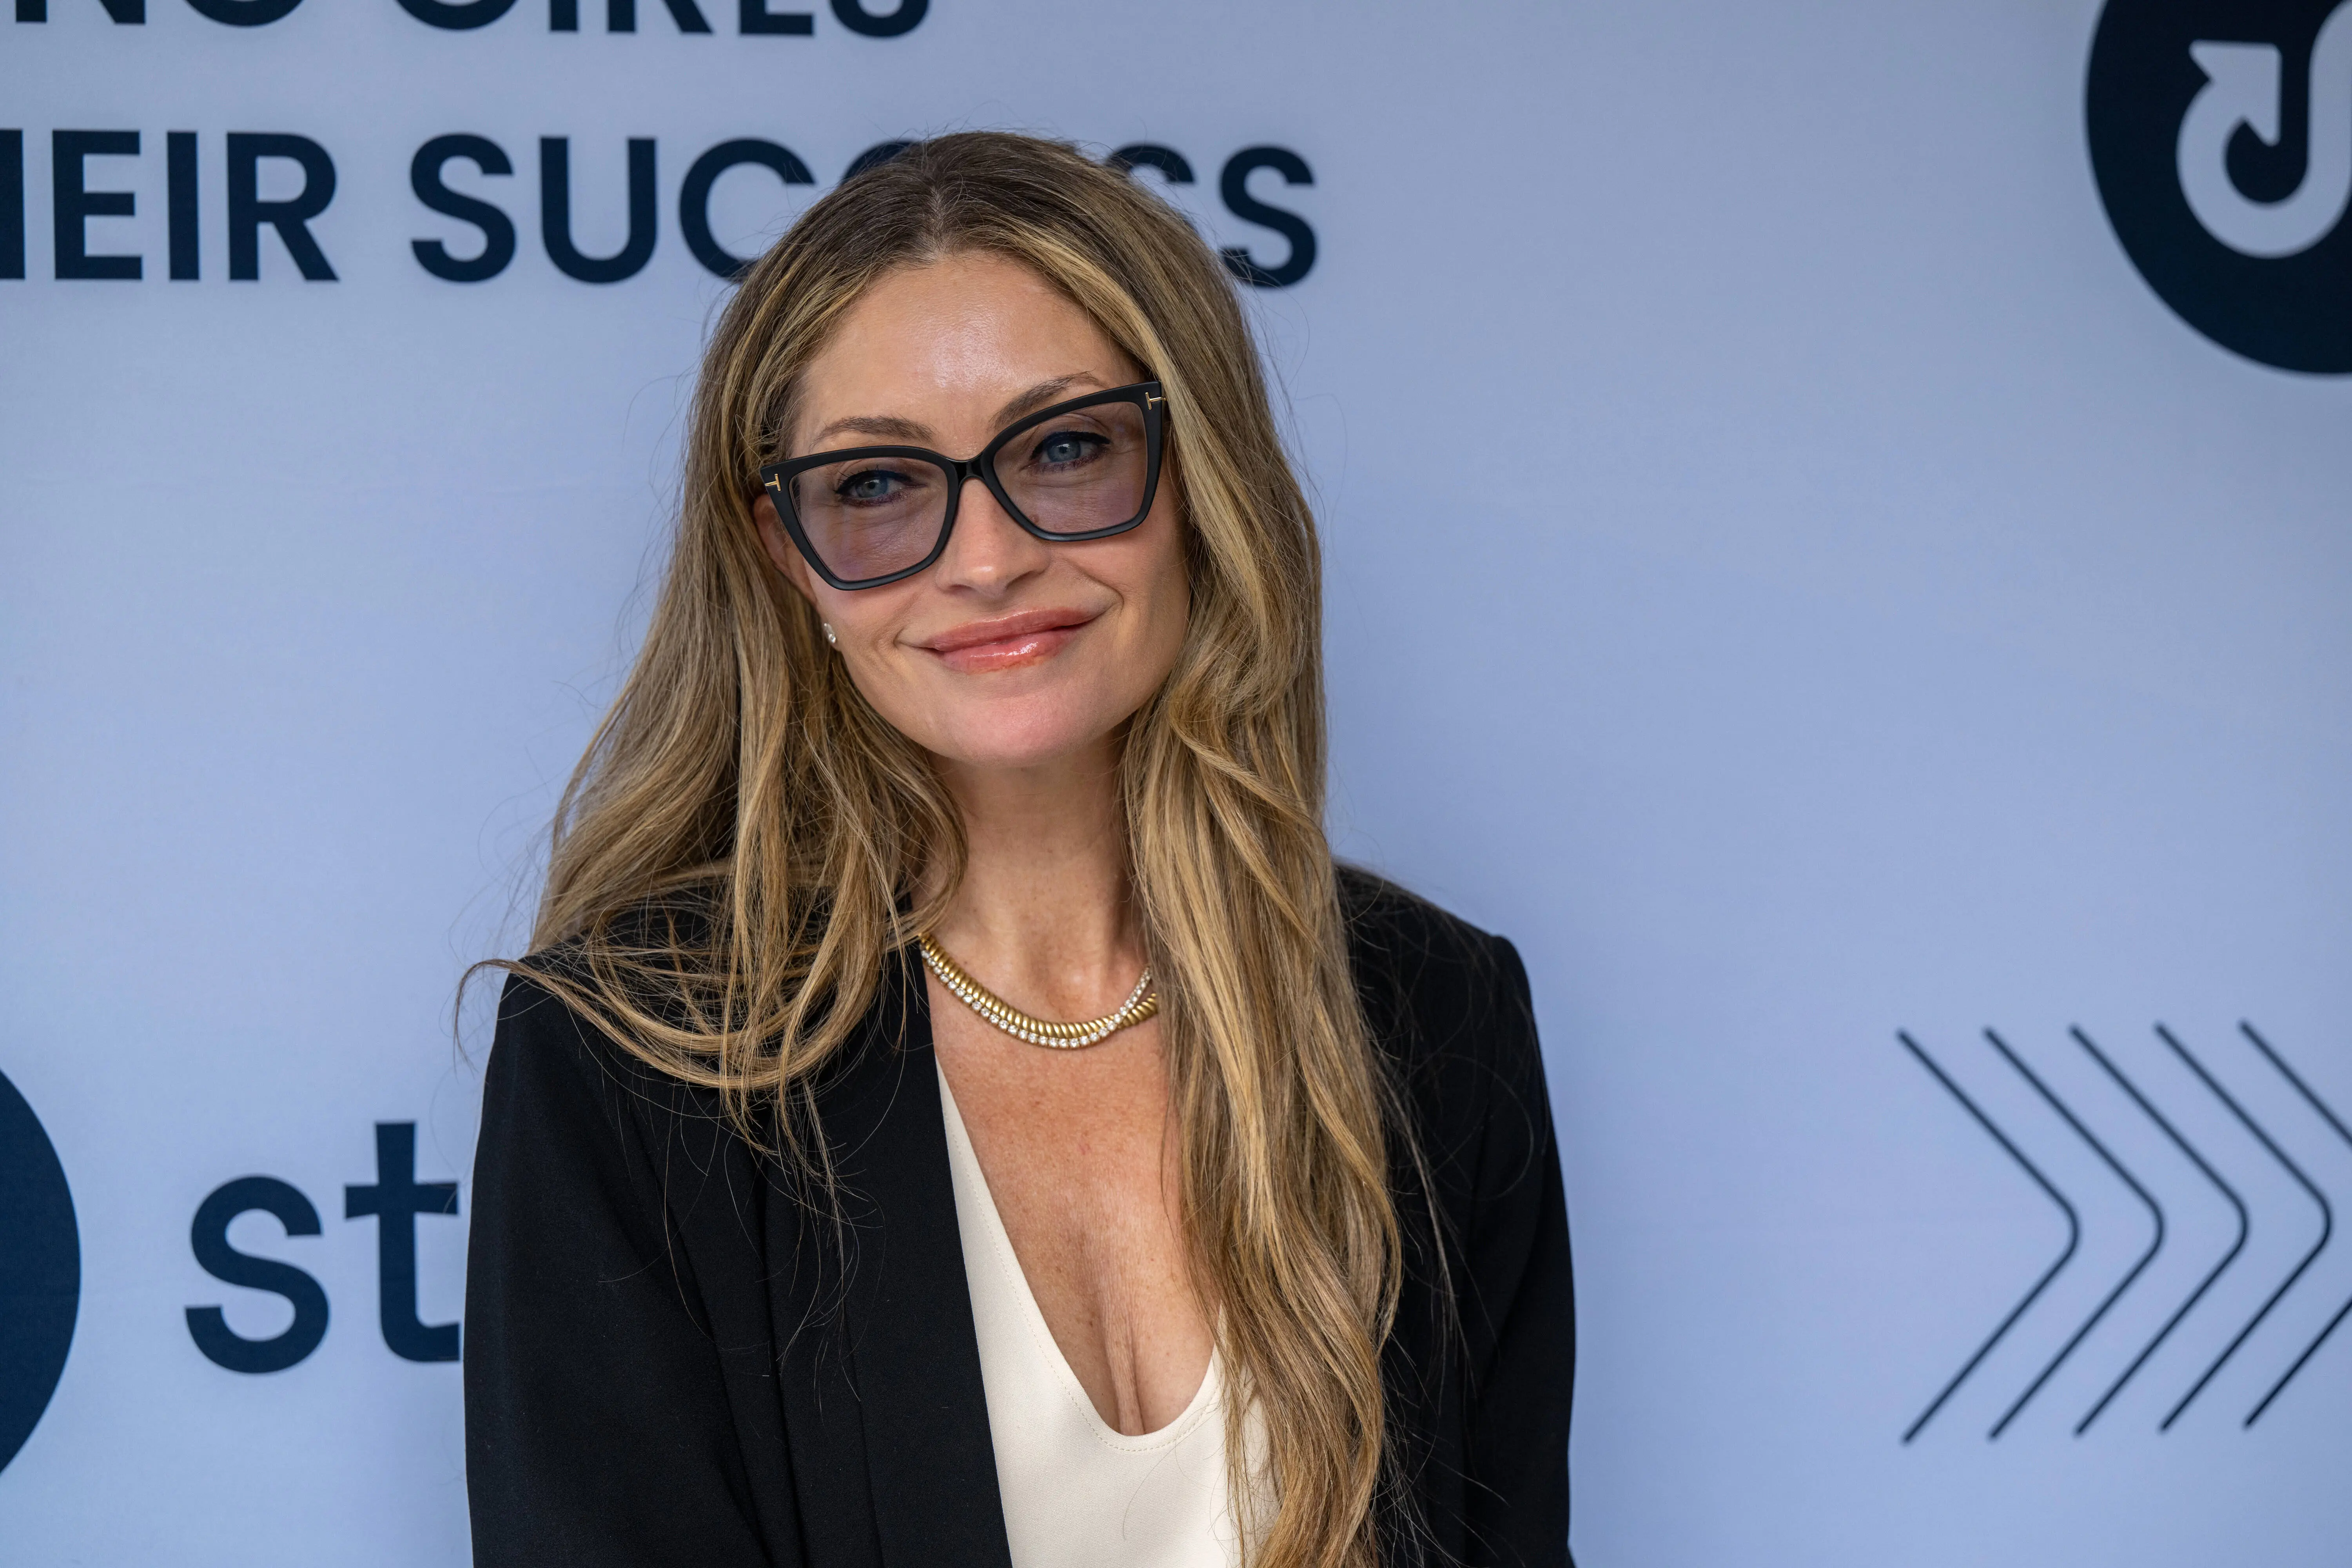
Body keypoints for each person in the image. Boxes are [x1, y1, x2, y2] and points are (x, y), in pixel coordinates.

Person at [463, 131, 1573, 1568]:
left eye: (1063, 449)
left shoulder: (1434, 1016)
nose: (984, 558)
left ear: (1196, 475)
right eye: (877, 485)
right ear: (784, 555)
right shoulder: (636, 1062)